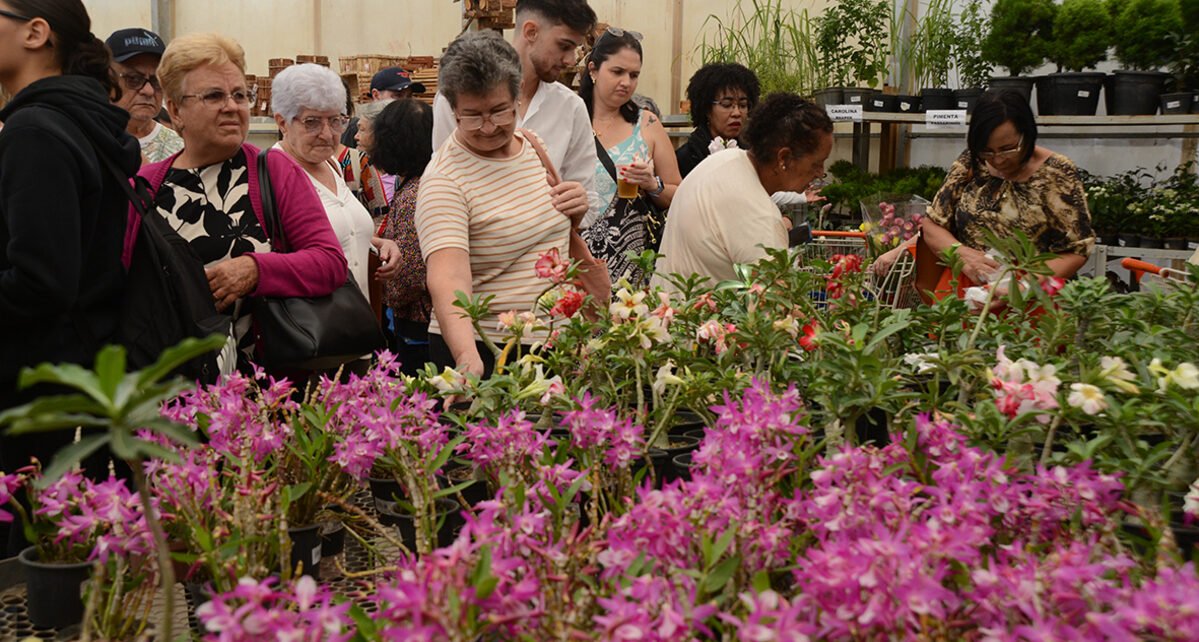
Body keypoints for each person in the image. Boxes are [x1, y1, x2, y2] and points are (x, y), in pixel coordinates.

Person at [0, 0, 141, 552]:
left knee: (24, 557)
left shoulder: (35, 129)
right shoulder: (81, 121)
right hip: (72, 376)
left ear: (36, 33)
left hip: (29, 389)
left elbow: (41, 280)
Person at [138, 33, 346, 372]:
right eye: (215, 95)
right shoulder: (147, 186)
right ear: (176, 110)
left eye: (239, 94)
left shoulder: (272, 171)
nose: (232, 106)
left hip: (262, 386)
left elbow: (329, 262)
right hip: (171, 389)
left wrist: (254, 270)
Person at [416, 31, 577, 379]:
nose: (489, 127)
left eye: (499, 111)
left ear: (517, 97)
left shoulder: (533, 145)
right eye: (472, 116)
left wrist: (572, 210)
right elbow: (448, 277)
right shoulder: (444, 179)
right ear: (453, 110)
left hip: (551, 342)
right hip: (488, 347)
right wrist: (467, 358)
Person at [432, 0, 597, 224]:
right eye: (564, 46)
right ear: (531, 31)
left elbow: (589, 204)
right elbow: (442, 186)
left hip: (549, 255)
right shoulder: (453, 99)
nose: (570, 59)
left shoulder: (571, 107)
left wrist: (578, 206)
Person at [653, 93, 834, 290]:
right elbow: (776, 304)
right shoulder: (758, 214)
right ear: (784, 158)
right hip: (700, 319)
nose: (820, 173)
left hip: (666, 311)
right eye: (817, 163)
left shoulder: (725, 160)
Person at [916, 90, 1095, 287]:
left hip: (1029, 298)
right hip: (964, 294)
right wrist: (962, 254)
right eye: (988, 151)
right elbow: (933, 224)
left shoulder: (1056, 173)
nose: (998, 160)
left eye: (1007, 149)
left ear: (1026, 133)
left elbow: (1076, 250)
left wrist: (1022, 287)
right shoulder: (972, 162)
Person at [270, 63, 400, 307]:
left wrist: (377, 243)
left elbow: (338, 235)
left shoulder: (332, 165)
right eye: (312, 122)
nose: (327, 134)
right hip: (313, 332)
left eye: (336, 120)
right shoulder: (272, 174)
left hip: (357, 323)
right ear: (282, 122)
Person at [579, 28, 681, 284]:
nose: (626, 82)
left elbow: (679, 193)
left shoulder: (647, 123)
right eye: (617, 72)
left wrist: (652, 185)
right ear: (593, 70)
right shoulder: (570, 120)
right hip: (577, 261)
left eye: (634, 75)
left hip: (632, 268)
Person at [367, 99, 435, 376]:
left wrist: (385, 294)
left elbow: (409, 274)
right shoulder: (425, 181)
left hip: (418, 322)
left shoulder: (414, 196)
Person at [106, 27, 182, 164]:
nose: (149, 91)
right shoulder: (86, 143)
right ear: (106, 80)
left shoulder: (179, 149)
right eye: (134, 79)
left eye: (156, 81)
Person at [676, 62, 760, 178]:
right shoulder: (686, 158)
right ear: (706, 108)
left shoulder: (753, 153)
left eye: (743, 105)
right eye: (726, 104)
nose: (736, 113)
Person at [348, 99, 394, 221]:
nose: (356, 136)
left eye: (362, 130)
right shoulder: (355, 170)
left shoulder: (402, 177)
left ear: (381, 134)